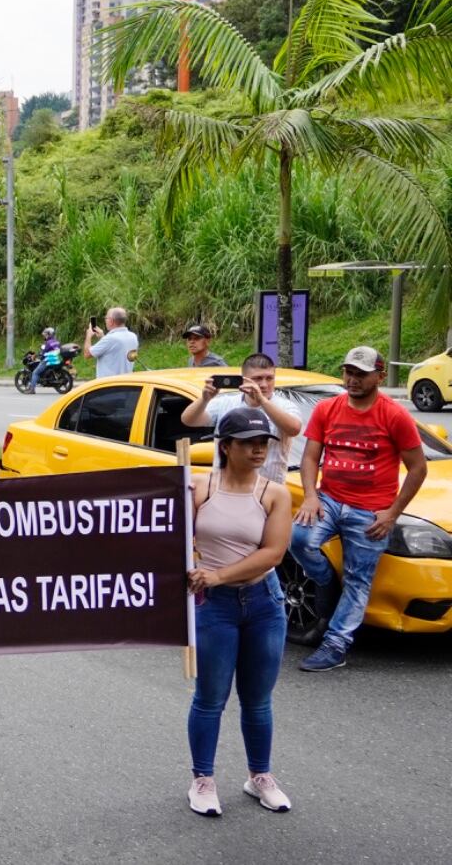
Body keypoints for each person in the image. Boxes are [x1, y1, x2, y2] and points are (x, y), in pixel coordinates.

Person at [184, 407, 295, 817]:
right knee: (210, 698)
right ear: (225, 446)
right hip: (214, 608)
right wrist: (195, 572)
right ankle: (203, 780)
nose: (257, 449)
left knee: (258, 699)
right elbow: (165, 534)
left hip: (264, 603)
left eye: (263, 442)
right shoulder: (199, 487)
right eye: (248, 442)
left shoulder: (274, 493)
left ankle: (260, 777)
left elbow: (273, 552)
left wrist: (217, 575)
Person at [290, 346, 427, 672]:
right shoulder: (327, 409)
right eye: (349, 372)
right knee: (298, 539)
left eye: (361, 374)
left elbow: (418, 468)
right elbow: (310, 457)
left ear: (380, 376)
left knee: (358, 580)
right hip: (329, 500)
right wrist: (311, 495)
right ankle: (325, 581)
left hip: (371, 511)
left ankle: (335, 646)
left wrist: (392, 513)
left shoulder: (394, 415)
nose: (352, 379)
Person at [180, 353, 303, 481]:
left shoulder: (285, 406)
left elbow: (293, 429)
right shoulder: (225, 402)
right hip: (224, 488)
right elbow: (188, 420)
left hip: (267, 490)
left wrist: (263, 401)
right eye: (258, 379)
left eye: (269, 378)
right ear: (244, 379)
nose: (264, 384)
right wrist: (204, 399)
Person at [84, 307, 139, 378]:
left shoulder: (110, 339)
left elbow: (87, 354)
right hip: (126, 382)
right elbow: (113, 351)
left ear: (111, 321)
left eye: (106, 318)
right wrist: (102, 337)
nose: (105, 321)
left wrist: (88, 336)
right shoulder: (133, 336)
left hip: (109, 385)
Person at [26, 327, 62, 394]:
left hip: (48, 360)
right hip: (57, 360)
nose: (45, 336)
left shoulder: (48, 343)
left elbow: (43, 353)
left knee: (35, 373)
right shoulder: (57, 341)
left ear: (49, 334)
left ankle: (32, 390)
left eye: (46, 335)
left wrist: (35, 356)